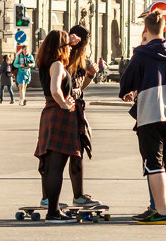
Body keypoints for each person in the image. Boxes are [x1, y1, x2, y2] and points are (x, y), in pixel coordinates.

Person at [119, 11, 166, 224]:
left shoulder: (141, 53)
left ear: (146, 30)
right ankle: (161, 206)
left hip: (150, 112)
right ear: (164, 28)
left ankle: (161, 211)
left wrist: (129, 92)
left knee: (154, 163)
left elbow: (127, 81)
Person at [33, 30, 81, 223]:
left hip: (49, 115)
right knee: (56, 168)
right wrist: (64, 104)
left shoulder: (46, 64)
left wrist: (69, 41)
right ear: (61, 48)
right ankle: (53, 212)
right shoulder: (58, 65)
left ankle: (52, 209)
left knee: (51, 166)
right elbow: (55, 89)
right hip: (59, 115)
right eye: (68, 47)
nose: (70, 50)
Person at [67, 25, 102, 209]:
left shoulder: (81, 60)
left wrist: (89, 74)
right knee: (60, 155)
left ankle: (78, 195)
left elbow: (80, 87)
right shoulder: (63, 56)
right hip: (65, 109)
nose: (87, 49)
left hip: (76, 108)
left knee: (76, 153)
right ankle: (50, 198)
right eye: (86, 45)